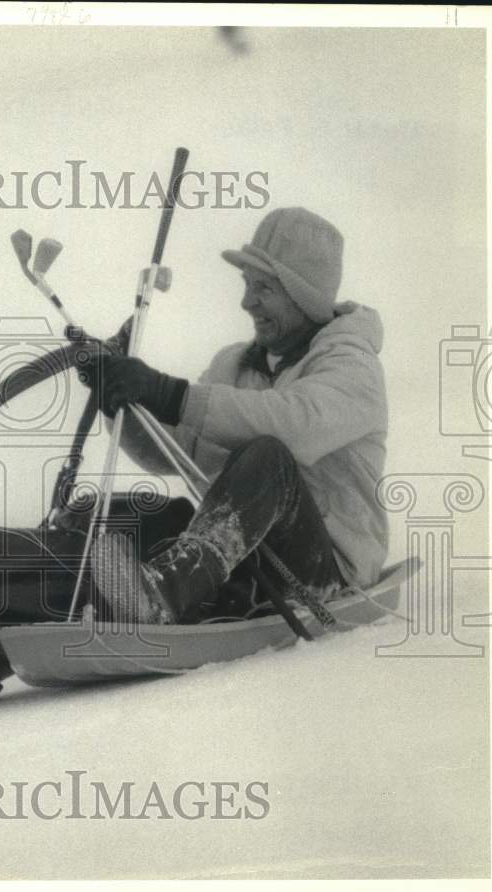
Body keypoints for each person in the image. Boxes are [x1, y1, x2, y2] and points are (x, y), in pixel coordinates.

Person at [87, 207, 389, 625]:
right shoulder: (232, 364)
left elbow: (293, 427)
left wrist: (169, 394)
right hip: (247, 557)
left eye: (263, 287)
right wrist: (125, 403)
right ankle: (55, 592)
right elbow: (181, 451)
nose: (247, 301)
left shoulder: (353, 368)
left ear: (304, 296)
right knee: (143, 516)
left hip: (325, 572)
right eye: (247, 284)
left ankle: (166, 593)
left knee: (270, 456)